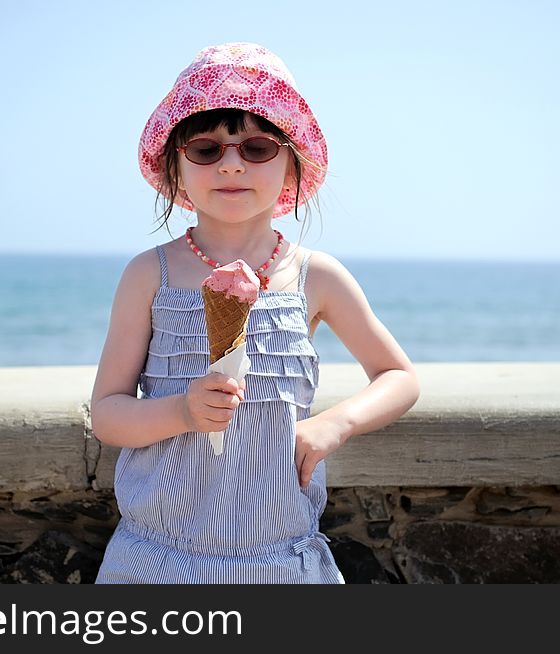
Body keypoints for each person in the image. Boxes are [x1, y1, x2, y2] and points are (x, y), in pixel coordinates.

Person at [90, 42, 420, 583]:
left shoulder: (317, 276)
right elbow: (107, 413)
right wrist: (182, 413)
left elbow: (399, 377)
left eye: (258, 146)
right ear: (177, 165)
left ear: (291, 163)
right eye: (206, 149)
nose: (232, 163)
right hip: (158, 559)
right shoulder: (150, 275)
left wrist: (333, 426)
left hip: (279, 562)